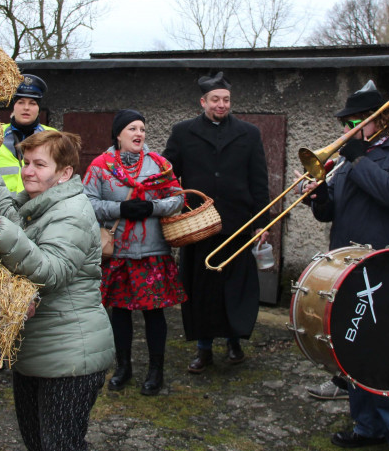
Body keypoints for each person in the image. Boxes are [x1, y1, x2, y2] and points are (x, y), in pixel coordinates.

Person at [0, 130, 114, 451]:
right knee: (38, 444)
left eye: (39, 164)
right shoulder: (40, 202)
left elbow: (51, 270)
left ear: (64, 173)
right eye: (26, 162)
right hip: (39, 350)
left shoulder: (74, 212)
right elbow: (17, 223)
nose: (28, 171)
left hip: (72, 355)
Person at [302, 80, 389, 451]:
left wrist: (357, 159)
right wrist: (319, 196)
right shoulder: (349, 159)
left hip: (384, 262)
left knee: (385, 350)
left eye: (355, 122)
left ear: (380, 121)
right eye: (346, 123)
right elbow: (330, 212)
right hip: (346, 262)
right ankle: (366, 425)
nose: (347, 130)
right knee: (350, 346)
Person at [162, 71, 269, 372]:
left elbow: (259, 181)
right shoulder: (183, 132)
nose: (221, 105)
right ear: (203, 101)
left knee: (235, 286)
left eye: (226, 100)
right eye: (215, 100)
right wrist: (172, 210)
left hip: (237, 223)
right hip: (198, 225)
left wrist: (262, 222)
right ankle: (203, 347)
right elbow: (169, 177)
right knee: (202, 288)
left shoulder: (249, 133)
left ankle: (234, 340)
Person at [84, 109, 186, 396]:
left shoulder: (159, 164)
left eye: (142, 128)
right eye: (132, 128)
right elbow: (86, 202)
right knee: (120, 313)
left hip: (153, 251)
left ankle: (156, 371)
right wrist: (121, 209)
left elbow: (178, 198)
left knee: (154, 314)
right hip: (117, 253)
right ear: (118, 134)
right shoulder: (100, 166)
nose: (139, 133)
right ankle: (123, 367)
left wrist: (153, 207)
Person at [0, 73, 56, 192]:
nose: (26, 108)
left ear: (39, 109)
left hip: (38, 208)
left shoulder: (53, 136)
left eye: (32, 103)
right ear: (13, 106)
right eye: (21, 102)